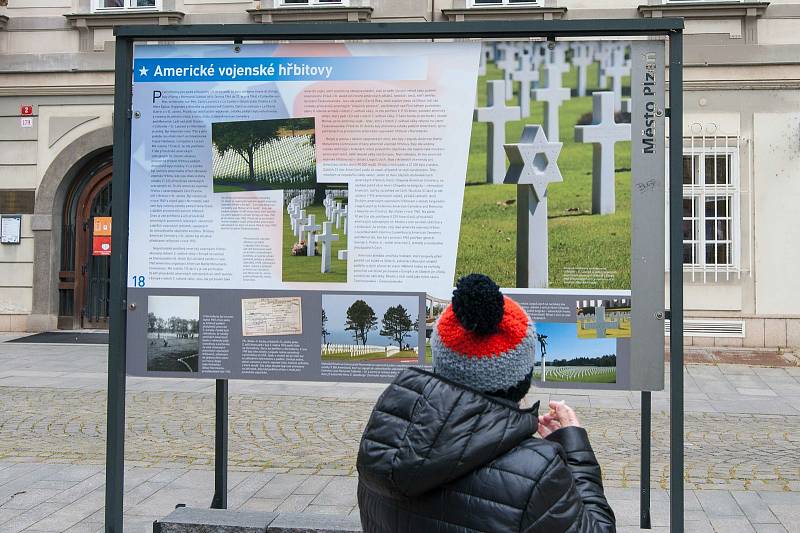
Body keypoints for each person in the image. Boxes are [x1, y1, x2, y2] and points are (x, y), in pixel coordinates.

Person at [356, 274, 615, 532]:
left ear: (439, 364)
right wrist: (576, 451)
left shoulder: (386, 441)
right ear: (522, 378)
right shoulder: (538, 472)